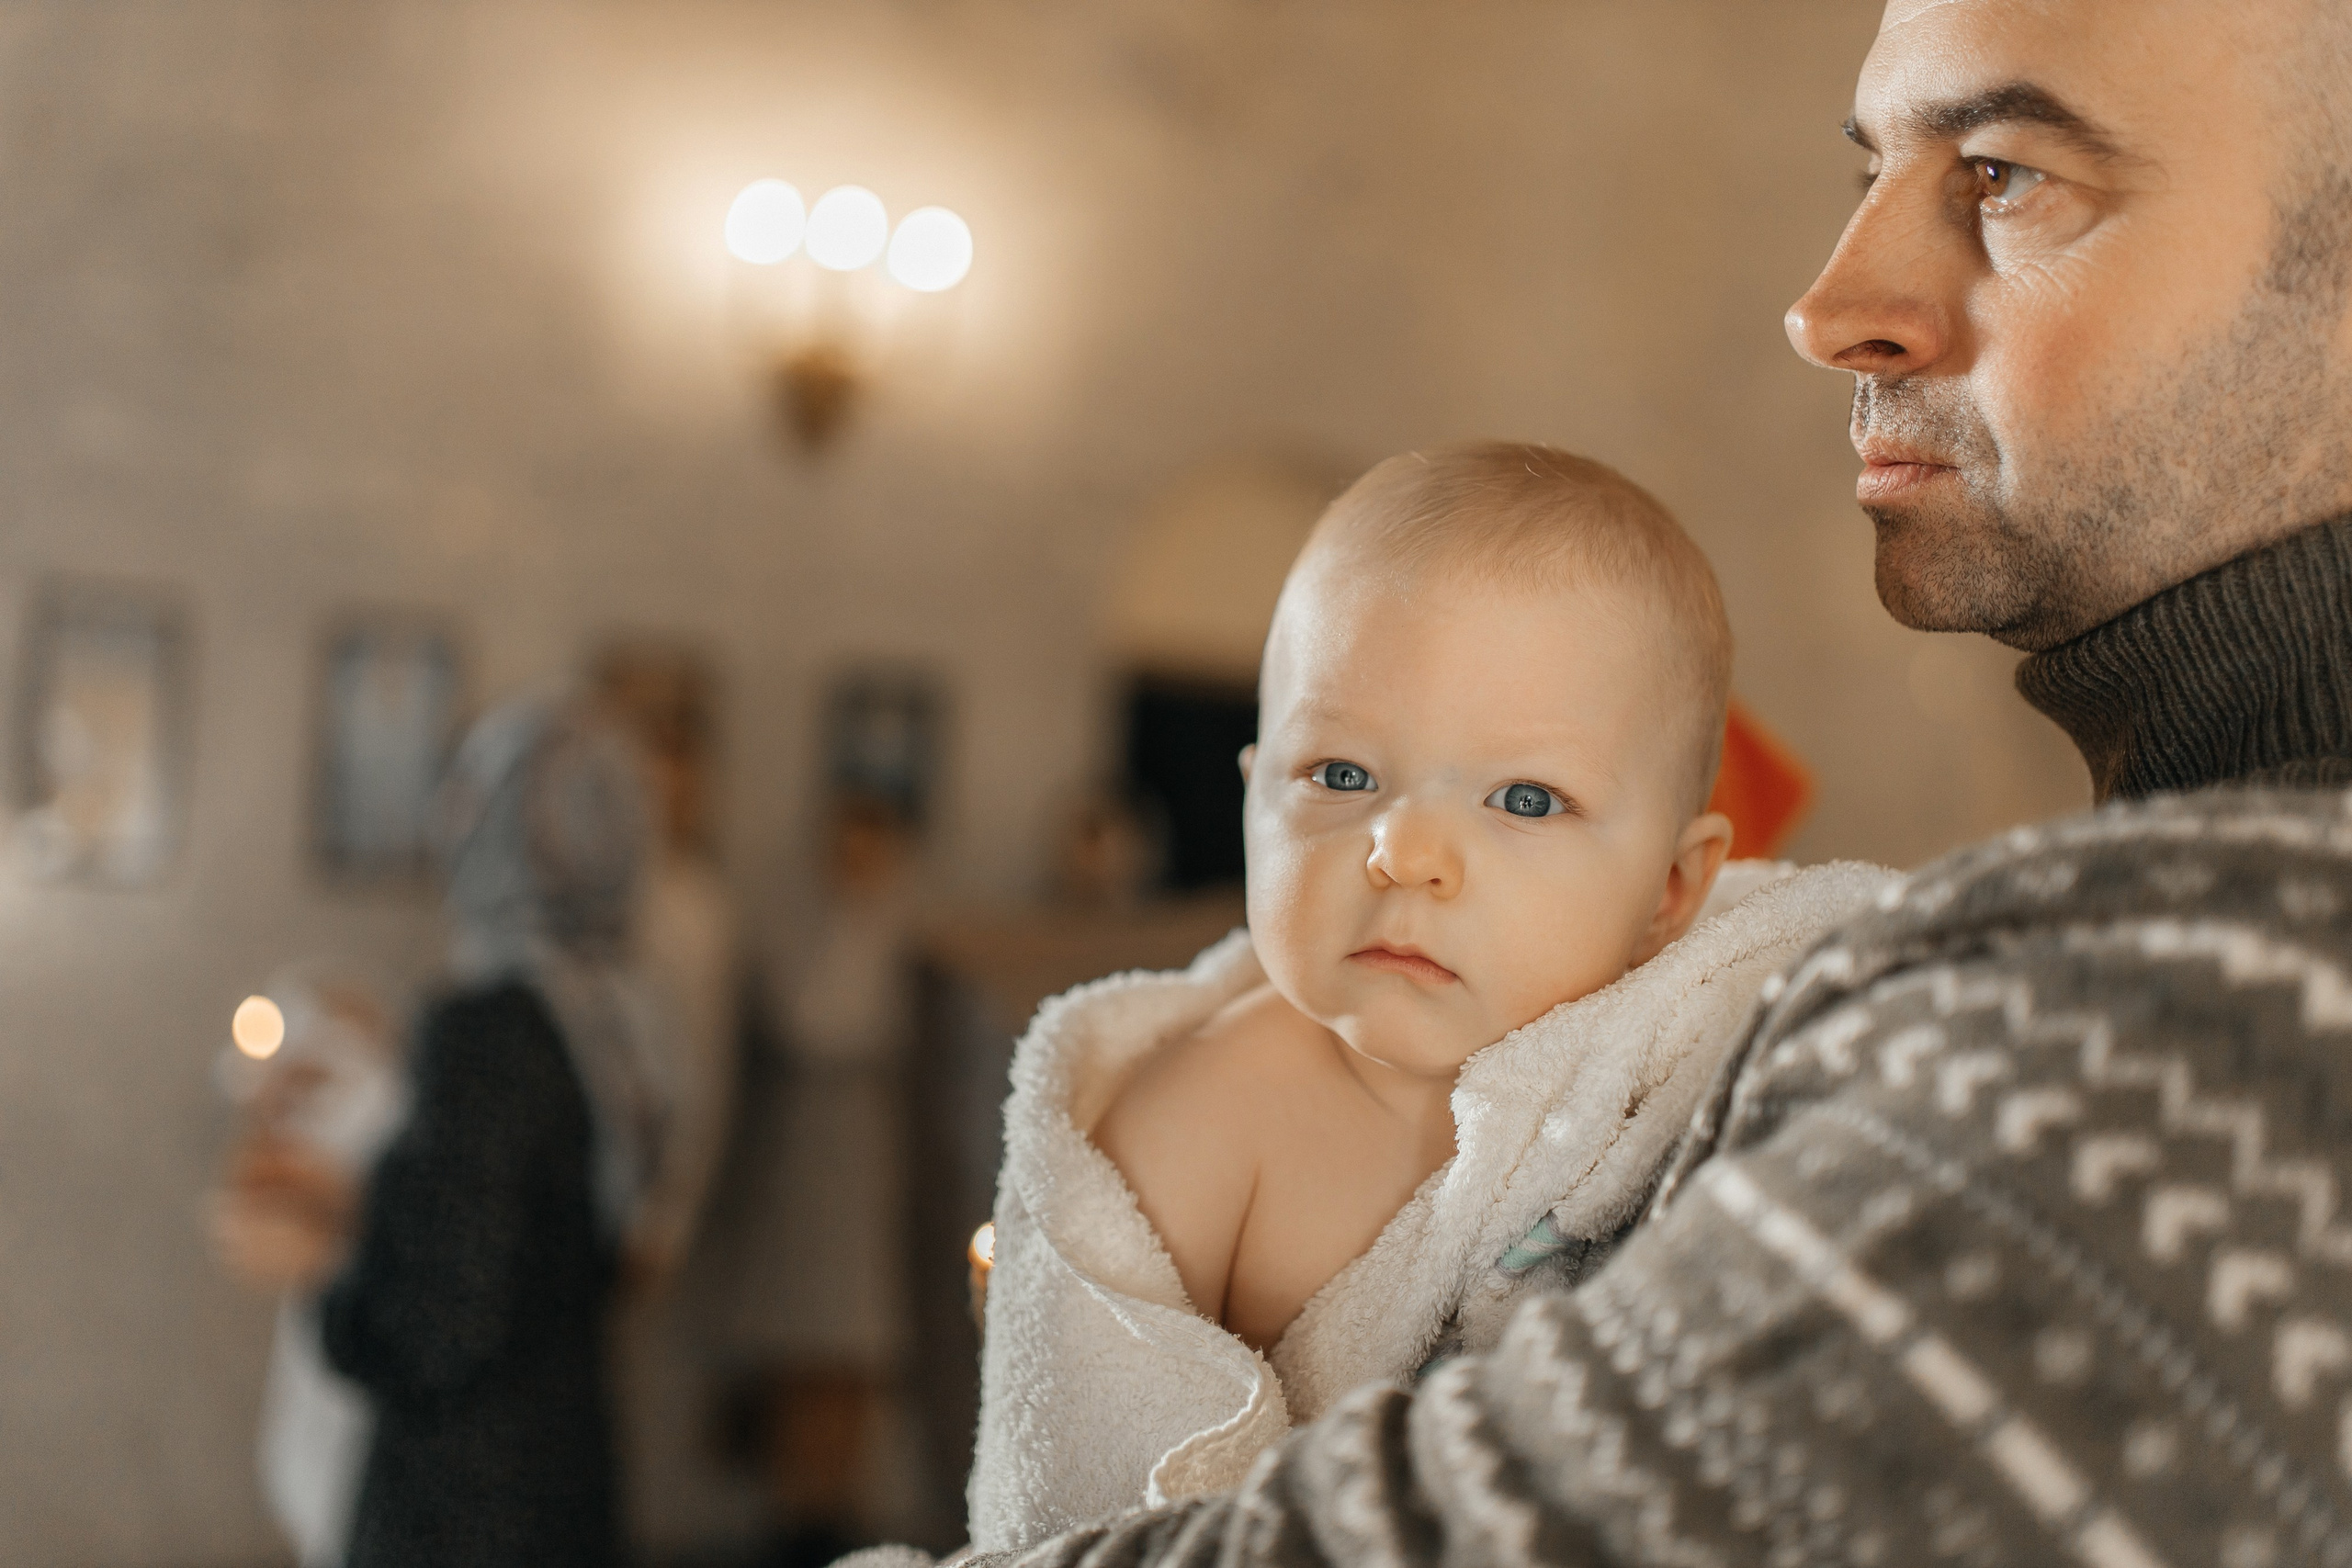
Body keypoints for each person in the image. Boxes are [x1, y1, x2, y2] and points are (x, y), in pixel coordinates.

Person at [857, 1, 2352, 1563]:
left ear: (1679, 883)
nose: (1831, 304)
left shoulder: (2237, 993)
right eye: (1870, 175)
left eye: (2005, 174)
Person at [964, 444, 1897, 1551]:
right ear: (1256, 792)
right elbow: (1086, 1484)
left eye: (1524, 799)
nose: (1404, 853)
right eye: (1343, 777)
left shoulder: (1684, 1059)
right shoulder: (1200, 1119)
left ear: (1671, 891)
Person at [220, 696, 670, 1568]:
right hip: (568, 1469)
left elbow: (433, 1319)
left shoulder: (491, 1026)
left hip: (464, 1504)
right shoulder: (624, 1020)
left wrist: (331, 1258)